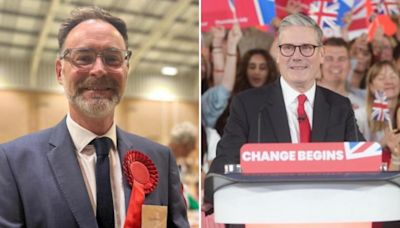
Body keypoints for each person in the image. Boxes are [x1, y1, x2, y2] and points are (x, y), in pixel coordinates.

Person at [0, 6, 189, 228]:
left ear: (126, 67)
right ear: (60, 71)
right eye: (84, 57)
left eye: (112, 58)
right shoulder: (13, 162)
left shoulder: (160, 159)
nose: (99, 70)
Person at [208, 13, 365, 175]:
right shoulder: (247, 105)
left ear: (322, 55)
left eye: (307, 48)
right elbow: (221, 172)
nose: (297, 57)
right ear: (278, 54)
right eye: (288, 48)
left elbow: (365, 166)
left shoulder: (340, 107)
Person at [355, 61, 400, 171]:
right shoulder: (359, 117)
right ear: (371, 86)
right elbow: (354, 157)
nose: (388, 81)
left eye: (393, 76)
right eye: (381, 78)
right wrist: (383, 143)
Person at [318, 37, 365, 110]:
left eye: (341, 59)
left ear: (350, 64)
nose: (335, 64)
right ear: (320, 63)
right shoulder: (305, 102)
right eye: (329, 59)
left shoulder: (362, 106)